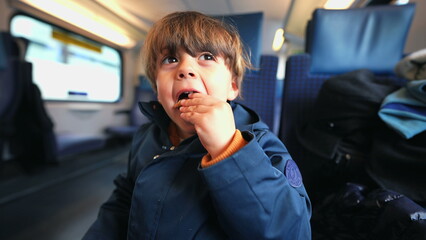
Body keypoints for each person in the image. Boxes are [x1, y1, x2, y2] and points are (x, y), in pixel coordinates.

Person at [83, 11, 311, 240]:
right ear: (157, 91)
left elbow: (292, 231)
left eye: (207, 57)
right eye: (170, 60)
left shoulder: (260, 143)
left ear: (232, 86)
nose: (185, 69)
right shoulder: (146, 136)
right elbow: (124, 202)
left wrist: (228, 149)